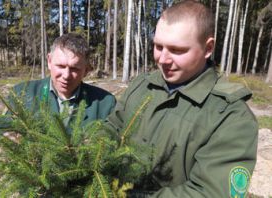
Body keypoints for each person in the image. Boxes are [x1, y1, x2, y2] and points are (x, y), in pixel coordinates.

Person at [106, 1, 258, 197]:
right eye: (158, 46)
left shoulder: (231, 116)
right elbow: (112, 127)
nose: (163, 59)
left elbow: (212, 193)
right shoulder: (142, 86)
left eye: (177, 50)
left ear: (208, 48)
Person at [0, 33, 116, 150]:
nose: (66, 75)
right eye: (61, 66)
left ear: (86, 70)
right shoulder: (23, 94)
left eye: (74, 69)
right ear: (49, 61)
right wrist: (2, 146)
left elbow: (118, 144)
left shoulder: (105, 103)